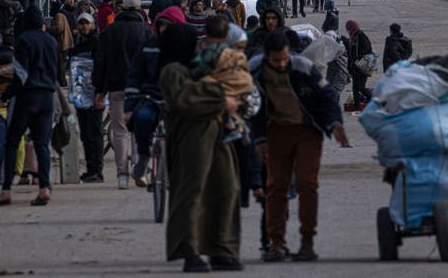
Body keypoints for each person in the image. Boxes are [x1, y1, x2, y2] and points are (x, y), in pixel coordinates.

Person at [250, 32, 349, 262]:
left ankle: (307, 243)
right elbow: (251, 107)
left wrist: (336, 124)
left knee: (307, 185)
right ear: (266, 57)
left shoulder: (303, 66)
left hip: (307, 130)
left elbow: (327, 96)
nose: (282, 64)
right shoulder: (254, 70)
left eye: (285, 58)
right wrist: (259, 139)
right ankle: (276, 243)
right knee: (276, 187)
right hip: (276, 130)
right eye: (276, 61)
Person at [159, 23, 245, 273]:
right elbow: (186, 100)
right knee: (191, 192)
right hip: (190, 135)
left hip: (217, 131)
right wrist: (221, 96)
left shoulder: (200, 68)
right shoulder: (172, 71)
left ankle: (222, 249)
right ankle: (190, 250)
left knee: (226, 188)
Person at [0, 6, 58, 207]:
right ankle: (44, 188)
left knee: (12, 141)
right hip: (47, 96)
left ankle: (6, 190)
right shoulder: (52, 42)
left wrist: (4, 97)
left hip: (28, 97)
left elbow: (21, 75)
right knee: (42, 144)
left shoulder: (24, 41)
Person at [94, 0, 154, 189]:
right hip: (140, 89)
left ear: (120, 9)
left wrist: (99, 89)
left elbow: (101, 62)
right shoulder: (146, 32)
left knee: (119, 131)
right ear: (138, 10)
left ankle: (122, 175)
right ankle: (139, 169)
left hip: (116, 86)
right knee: (138, 130)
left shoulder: (109, 32)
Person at [126, 6, 185, 187]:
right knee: (142, 119)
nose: (164, 30)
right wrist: (129, 106)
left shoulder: (185, 48)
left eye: (168, 26)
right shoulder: (148, 47)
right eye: (162, 26)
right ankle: (143, 158)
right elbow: (135, 75)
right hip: (150, 98)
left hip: (177, 100)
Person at [191, 16, 253, 144]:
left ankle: (232, 127)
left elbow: (201, 68)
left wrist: (192, 73)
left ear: (207, 34)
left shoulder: (210, 51)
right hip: (240, 87)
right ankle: (239, 127)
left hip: (222, 87)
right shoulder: (233, 52)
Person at [70, 13, 104, 183]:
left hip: (94, 95)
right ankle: (91, 169)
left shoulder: (97, 43)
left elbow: (102, 68)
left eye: (86, 23)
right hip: (80, 95)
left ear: (92, 25)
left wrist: (100, 92)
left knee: (94, 134)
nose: (83, 26)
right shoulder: (79, 45)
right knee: (85, 134)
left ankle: (97, 170)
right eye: (81, 23)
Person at [345, 20, 373, 110]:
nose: (348, 30)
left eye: (348, 28)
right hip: (355, 67)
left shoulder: (361, 36)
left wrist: (359, 58)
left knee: (360, 87)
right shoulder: (352, 37)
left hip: (362, 67)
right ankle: (356, 106)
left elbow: (368, 49)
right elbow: (350, 52)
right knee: (355, 87)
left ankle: (373, 100)